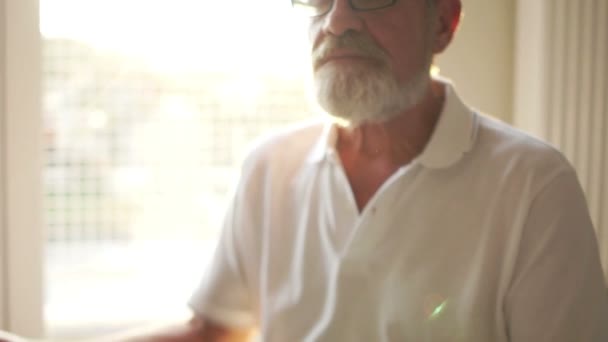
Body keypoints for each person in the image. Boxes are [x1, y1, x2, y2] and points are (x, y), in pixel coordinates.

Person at [3, 0, 606, 341]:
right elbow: (215, 331)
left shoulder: (533, 187)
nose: (337, 21)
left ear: (443, 21)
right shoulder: (270, 167)